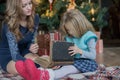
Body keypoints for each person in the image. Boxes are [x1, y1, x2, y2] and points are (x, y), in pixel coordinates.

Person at [0, 0, 42, 77]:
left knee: (39, 61)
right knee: (21, 67)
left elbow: (31, 40)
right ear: (16, 8)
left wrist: (31, 46)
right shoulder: (9, 24)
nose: (29, 7)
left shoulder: (35, 18)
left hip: (23, 49)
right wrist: (32, 64)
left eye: (30, 3)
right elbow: (15, 55)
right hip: (8, 53)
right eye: (24, 6)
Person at [53, 9, 98, 79]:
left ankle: (48, 75)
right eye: (67, 30)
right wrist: (59, 62)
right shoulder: (68, 36)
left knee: (68, 69)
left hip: (86, 62)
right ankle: (44, 72)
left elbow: (93, 55)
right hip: (72, 61)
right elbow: (66, 55)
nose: (69, 32)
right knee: (59, 67)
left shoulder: (89, 36)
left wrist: (80, 51)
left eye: (71, 29)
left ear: (79, 26)